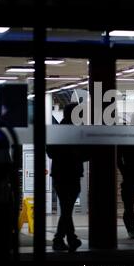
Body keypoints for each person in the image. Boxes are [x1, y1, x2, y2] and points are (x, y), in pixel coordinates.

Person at [46, 103, 89, 252]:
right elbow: (87, 153)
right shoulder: (78, 131)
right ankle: (61, 239)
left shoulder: (57, 130)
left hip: (59, 174)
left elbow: (50, 152)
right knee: (67, 208)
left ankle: (69, 239)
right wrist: (76, 155)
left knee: (66, 208)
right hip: (73, 173)